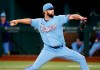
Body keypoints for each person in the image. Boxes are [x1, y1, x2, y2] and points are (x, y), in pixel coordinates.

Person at [10, 3, 89, 70]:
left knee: (81, 58)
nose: (52, 10)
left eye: (53, 9)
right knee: (34, 67)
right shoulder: (39, 22)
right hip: (48, 50)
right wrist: (17, 21)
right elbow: (29, 20)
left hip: (62, 49)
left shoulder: (59, 19)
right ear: (45, 11)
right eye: (50, 9)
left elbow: (72, 16)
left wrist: (81, 17)